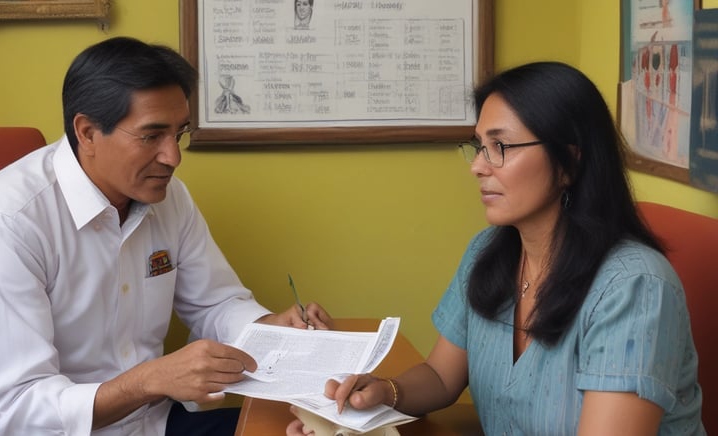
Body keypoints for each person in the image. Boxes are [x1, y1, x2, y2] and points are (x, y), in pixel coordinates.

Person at [287, 61, 705, 435]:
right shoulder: (487, 252)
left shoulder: (634, 288)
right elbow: (440, 377)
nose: (477, 165)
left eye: (500, 147)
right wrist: (384, 392)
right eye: (479, 145)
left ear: (569, 163)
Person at [0, 36, 331, 436]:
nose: (174, 157)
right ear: (88, 133)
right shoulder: (4, 222)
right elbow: (18, 408)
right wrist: (149, 380)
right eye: (151, 136)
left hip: (153, 423)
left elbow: (214, 304)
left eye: (179, 133)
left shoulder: (169, 197)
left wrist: (269, 328)